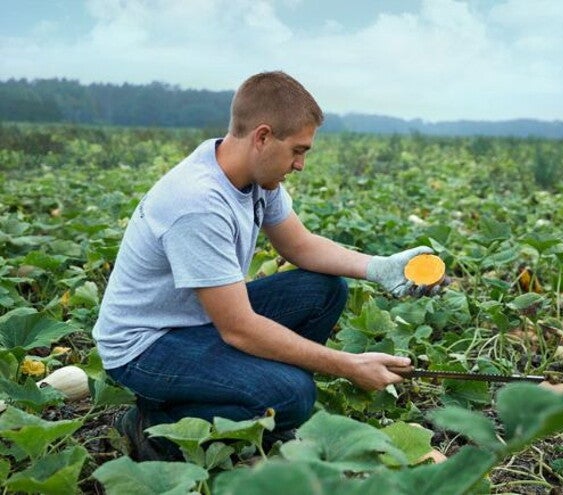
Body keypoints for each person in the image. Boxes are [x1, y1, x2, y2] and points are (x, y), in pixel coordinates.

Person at [93, 71, 435, 461]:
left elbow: (301, 246)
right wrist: (349, 365)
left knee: (324, 289)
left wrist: (382, 268)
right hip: (147, 347)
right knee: (293, 394)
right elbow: (239, 329)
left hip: (195, 320)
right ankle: (155, 429)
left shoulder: (251, 175)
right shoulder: (196, 203)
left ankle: (261, 406)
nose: (301, 164)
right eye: (298, 150)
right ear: (262, 137)